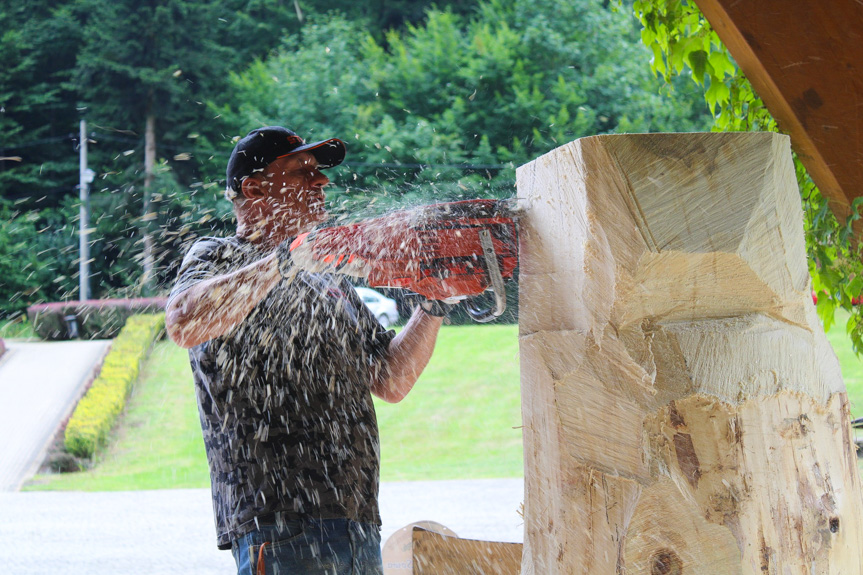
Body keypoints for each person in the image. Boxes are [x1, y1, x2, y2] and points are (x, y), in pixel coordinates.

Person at [165, 126, 447, 575]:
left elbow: (390, 380)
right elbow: (183, 321)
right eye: (303, 171)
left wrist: (434, 303)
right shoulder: (217, 255)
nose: (322, 182)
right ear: (254, 188)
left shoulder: (327, 277)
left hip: (356, 519)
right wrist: (287, 259)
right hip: (278, 526)